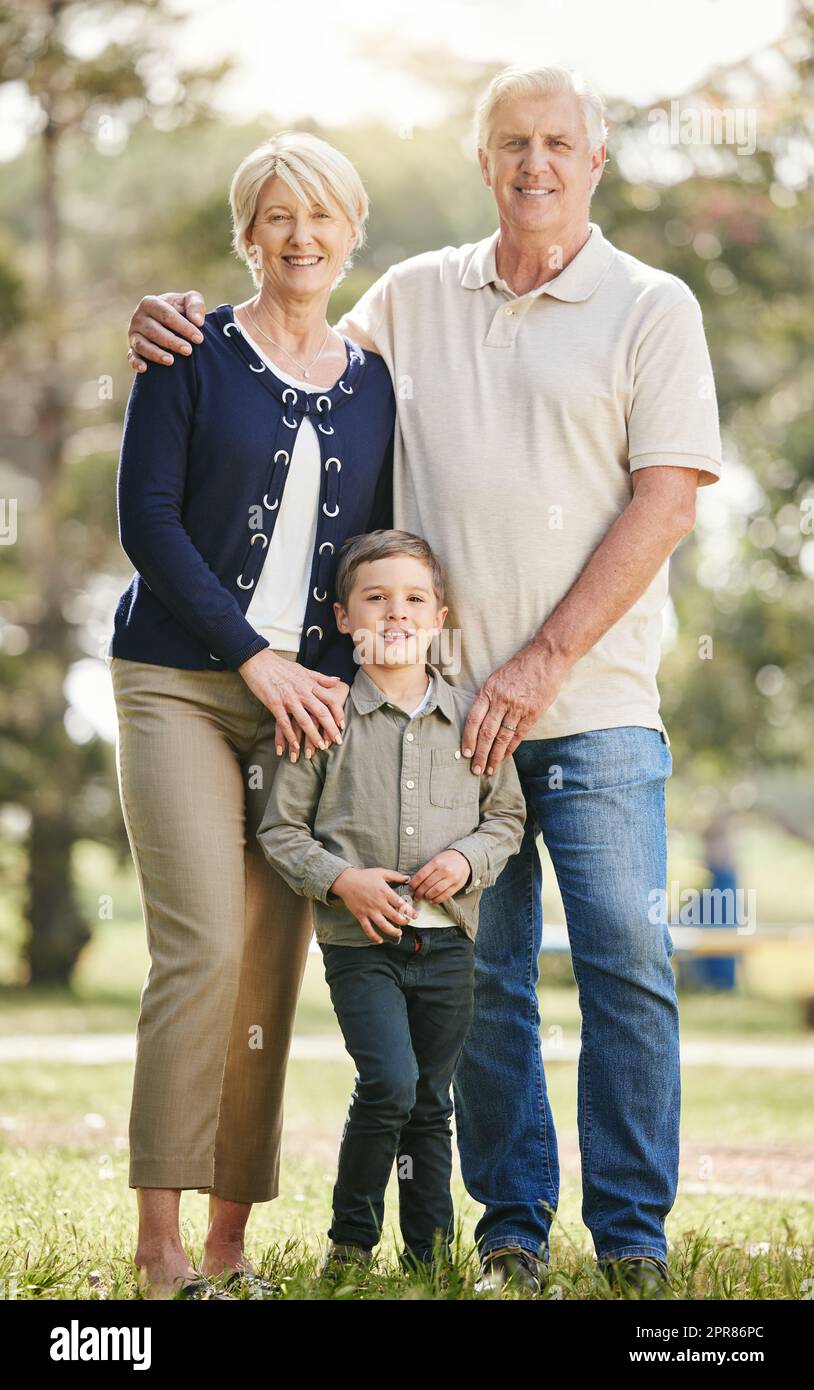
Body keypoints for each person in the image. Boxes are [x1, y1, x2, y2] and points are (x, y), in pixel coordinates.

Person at [125, 64, 722, 1297]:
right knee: (482, 976)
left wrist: (542, 659)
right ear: (483, 159)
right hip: (439, 722)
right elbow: (281, 339)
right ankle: (509, 1230)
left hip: (593, 702)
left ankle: (631, 1244)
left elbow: (667, 497)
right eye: (511, 142)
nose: (534, 164)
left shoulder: (652, 304)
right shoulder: (411, 299)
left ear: (594, 160)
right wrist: (168, 319)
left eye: (559, 142)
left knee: (621, 956)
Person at [109, 131, 394, 1298]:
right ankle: (157, 1249)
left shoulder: (375, 378)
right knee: (204, 949)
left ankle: (229, 1249)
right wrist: (254, 659)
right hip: (179, 678)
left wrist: (344, 671)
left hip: (305, 707)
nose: (301, 236)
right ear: (247, 233)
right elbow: (149, 525)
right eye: (278, 215)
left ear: (352, 232)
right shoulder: (186, 354)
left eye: (321, 215)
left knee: (270, 970)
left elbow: (372, 539)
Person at [256, 530, 526, 1273]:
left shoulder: (475, 721)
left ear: (440, 617)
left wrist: (463, 860)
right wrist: (342, 879)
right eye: (376, 599)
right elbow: (279, 830)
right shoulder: (324, 717)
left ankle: (430, 1258)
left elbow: (505, 820)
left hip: (447, 946)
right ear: (344, 618)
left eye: (414, 599)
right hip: (359, 945)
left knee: (431, 1103)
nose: (396, 614)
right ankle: (350, 1244)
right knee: (388, 1084)